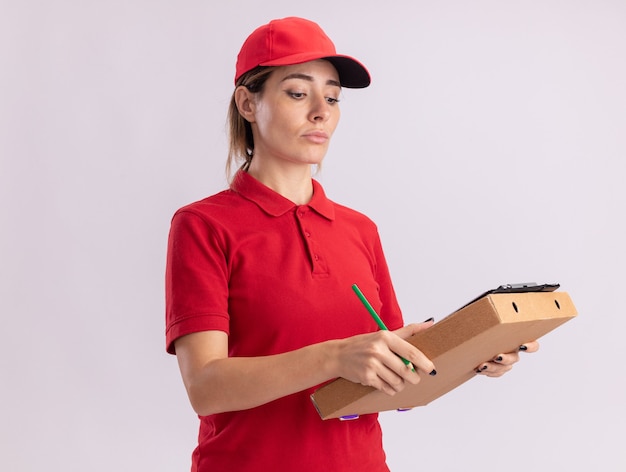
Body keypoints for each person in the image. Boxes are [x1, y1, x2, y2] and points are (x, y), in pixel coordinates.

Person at [165, 16, 539, 472]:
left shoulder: (360, 229)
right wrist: (338, 355)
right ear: (248, 102)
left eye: (333, 96)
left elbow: (394, 383)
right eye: (298, 93)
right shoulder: (203, 225)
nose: (321, 110)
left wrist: (471, 353)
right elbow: (206, 387)